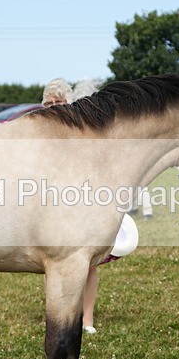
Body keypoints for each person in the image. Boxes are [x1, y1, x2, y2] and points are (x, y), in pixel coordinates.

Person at [42, 78, 139, 334]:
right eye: (49, 103)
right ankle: (61, 314)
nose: (53, 107)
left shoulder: (83, 130)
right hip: (51, 208)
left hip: (82, 205)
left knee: (89, 265)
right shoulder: (40, 133)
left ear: (69, 103)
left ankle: (87, 319)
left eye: (59, 102)